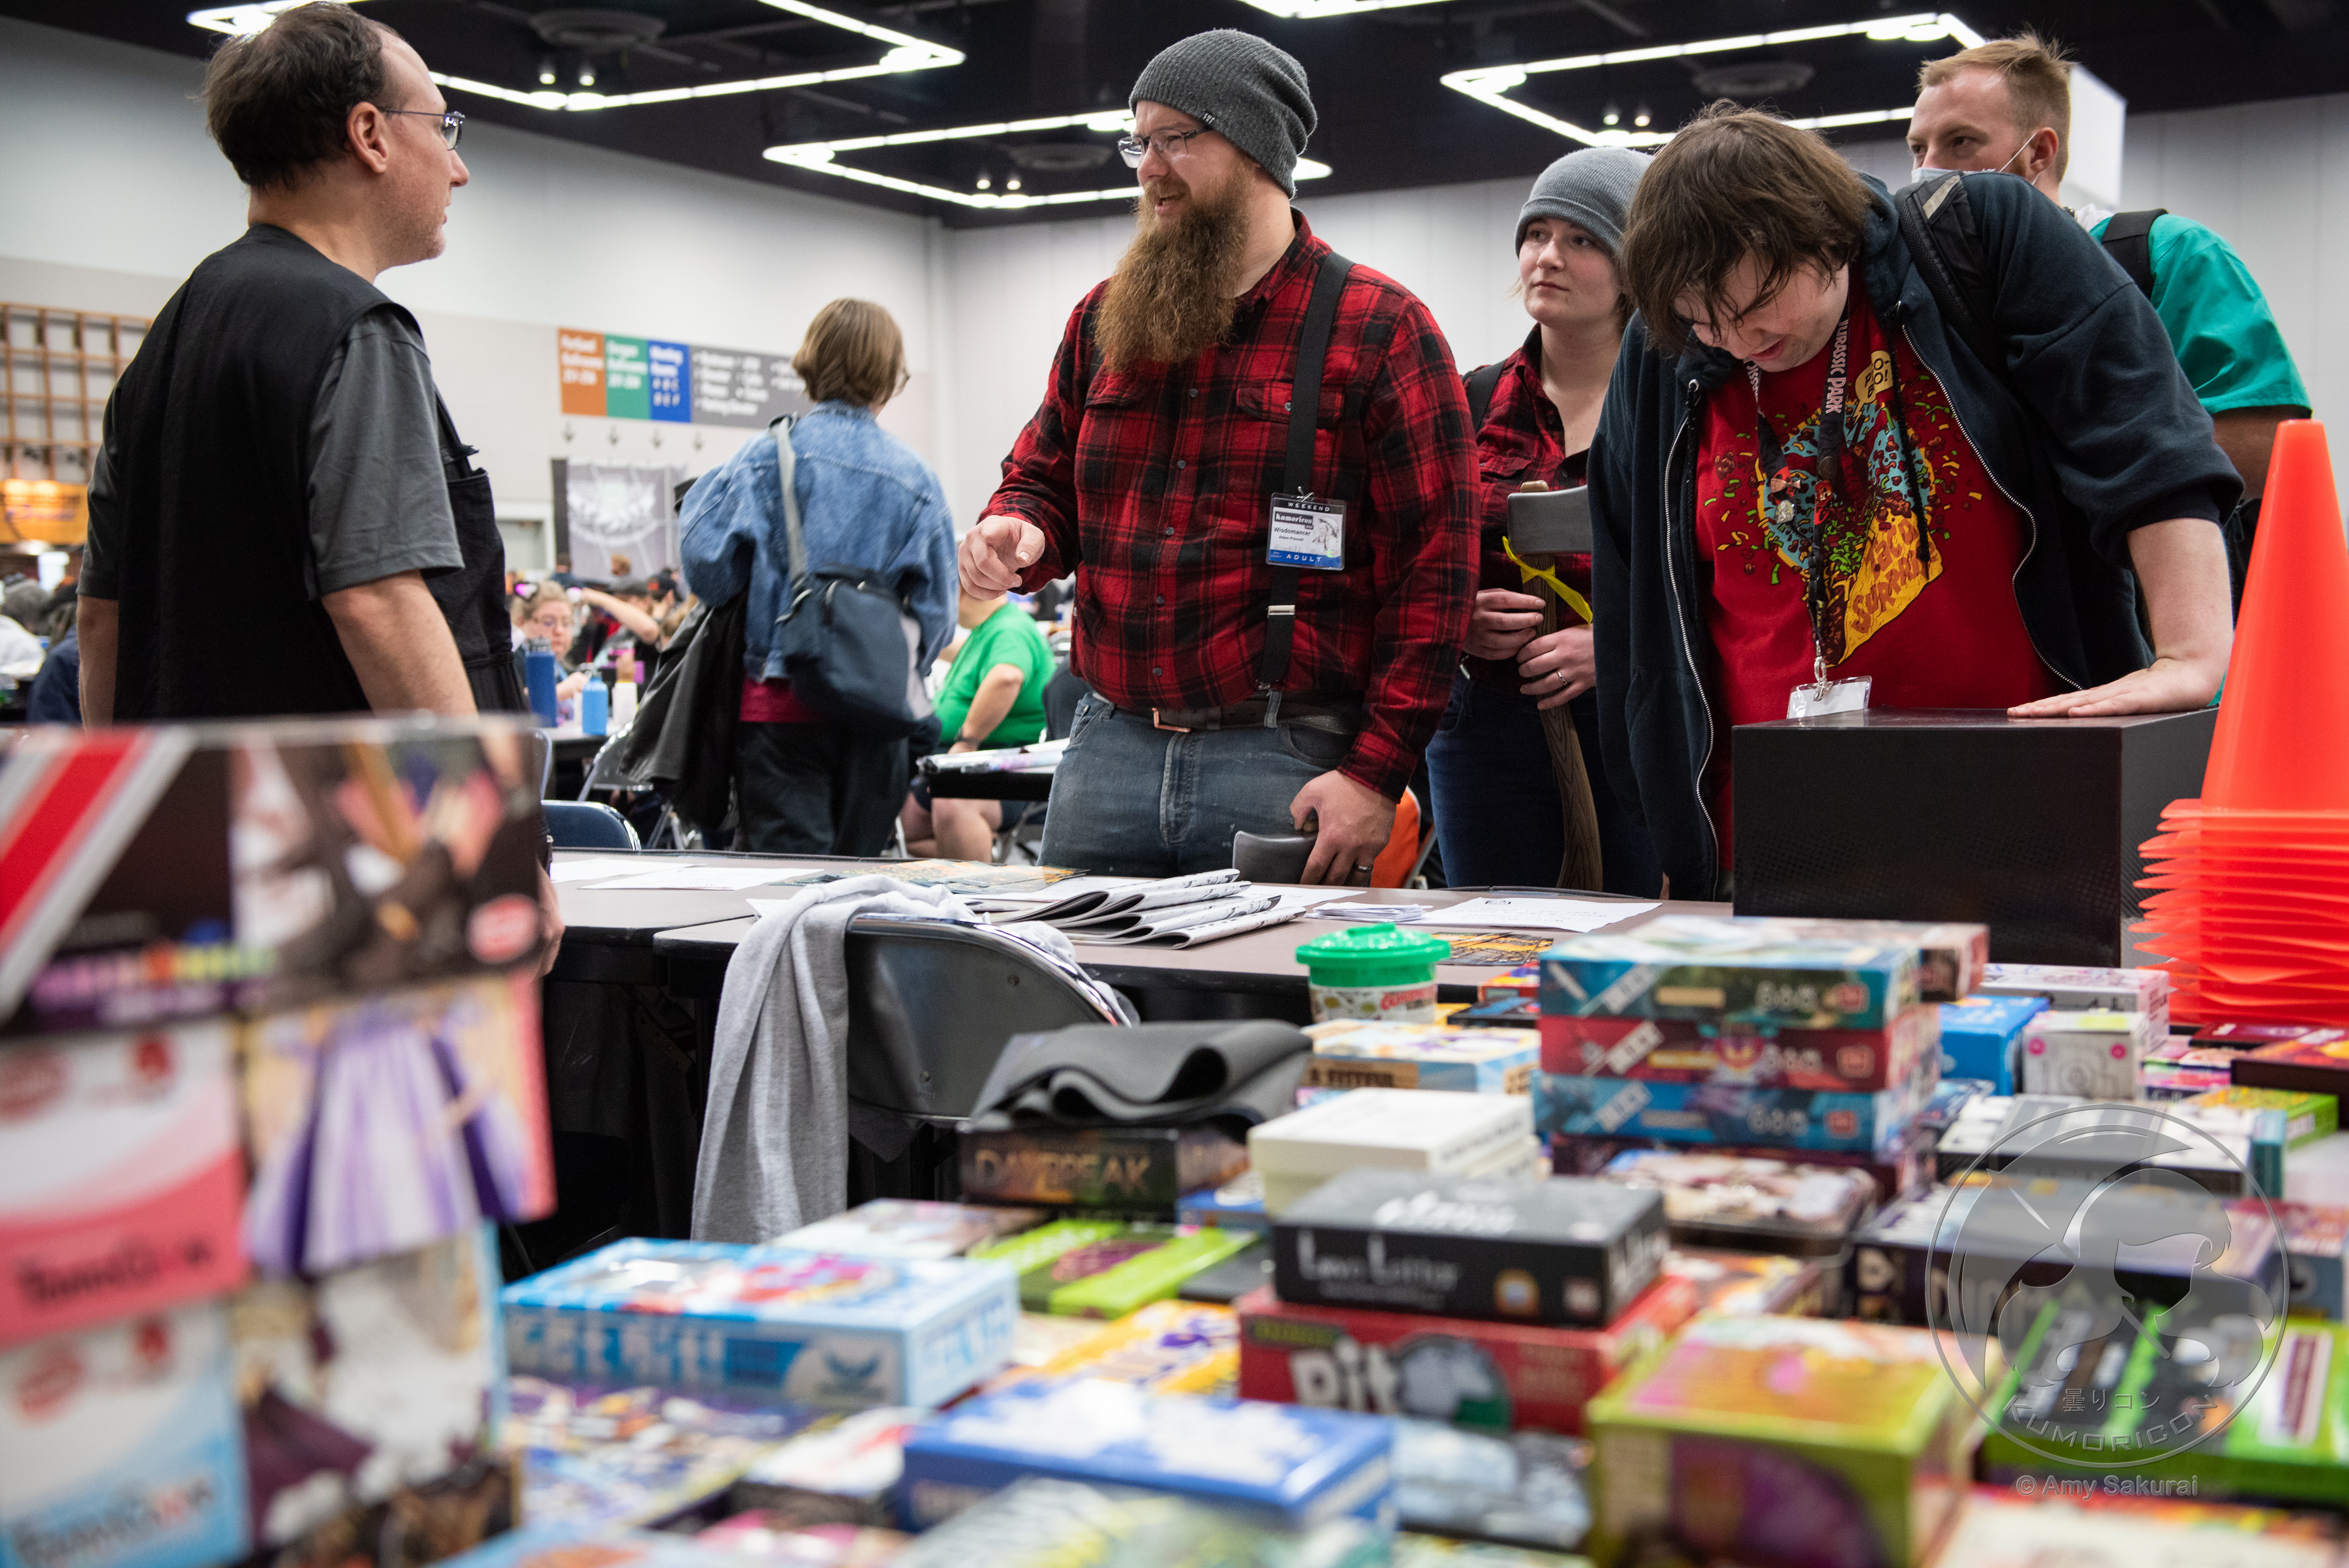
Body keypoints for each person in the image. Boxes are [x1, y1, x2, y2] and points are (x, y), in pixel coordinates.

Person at [1595, 104, 2237, 900]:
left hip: (2019, 810)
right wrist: (1670, 831)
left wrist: (2191, 655)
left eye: (1759, 303)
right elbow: (1633, 603)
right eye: (1704, 321)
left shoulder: (1977, 237)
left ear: (1828, 236)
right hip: (1765, 834)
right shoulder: (1665, 356)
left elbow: (2142, 433)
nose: (1737, 340)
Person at [962, 30, 1476, 885]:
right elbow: (1042, 477)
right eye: (1139, 142)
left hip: (1287, 756)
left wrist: (1376, 773)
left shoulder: (1380, 328)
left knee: (1268, 982)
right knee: (1072, 974)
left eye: (1176, 139)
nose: (1150, 169)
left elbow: (1435, 575)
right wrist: (1017, 527)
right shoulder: (1104, 321)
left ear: (1255, 147)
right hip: (1108, 750)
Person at [76, 1, 523, 727]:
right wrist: (474, 793)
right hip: (335, 795)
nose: (459, 169)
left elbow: (103, 615)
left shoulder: (169, 338)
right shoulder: (355, 330)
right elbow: (378, 602)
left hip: (192, 790)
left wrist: (129, 789)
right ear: (370, 135)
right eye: (443, 127)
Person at [1908, 32, 2309, 607]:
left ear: (2038, 153)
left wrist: (2073, 469)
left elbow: (2265, 444)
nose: (1929, 169)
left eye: (1961, 142)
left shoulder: (2165, 254)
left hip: (2154, 605)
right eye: (1917, 148)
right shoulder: (1923, 295)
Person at [1429, 148, 1662, 897]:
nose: (1547, 257)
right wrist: (1460, 618)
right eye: (1537, 235)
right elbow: (1419, 558)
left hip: (1637, 720)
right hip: (1486, 727)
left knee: (1631, 941)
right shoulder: (1470, 400)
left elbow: (1718, 574)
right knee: (1489, 940)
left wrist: (1620, 646)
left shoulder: (1678, 405)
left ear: (1634, 262)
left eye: (1582, 239)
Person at [682, 299, 957, 856]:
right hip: (877, 714)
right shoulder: (917, 478)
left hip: (778, 708)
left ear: (810, 361)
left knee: (790, 884)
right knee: (861, 879)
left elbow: (708, 572)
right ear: (891, 374)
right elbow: (938, 617)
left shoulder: (762, 458)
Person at [900, 587, 1056, 861]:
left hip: (1001, 765)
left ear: (959, 592)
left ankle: (976, 875)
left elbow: (1006, 677)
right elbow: (955, 649)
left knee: (953, 802)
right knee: (908, 825)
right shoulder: (989, 628)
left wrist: (967, 741)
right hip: (957, 762)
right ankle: (977, 860)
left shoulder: (1010, 629)